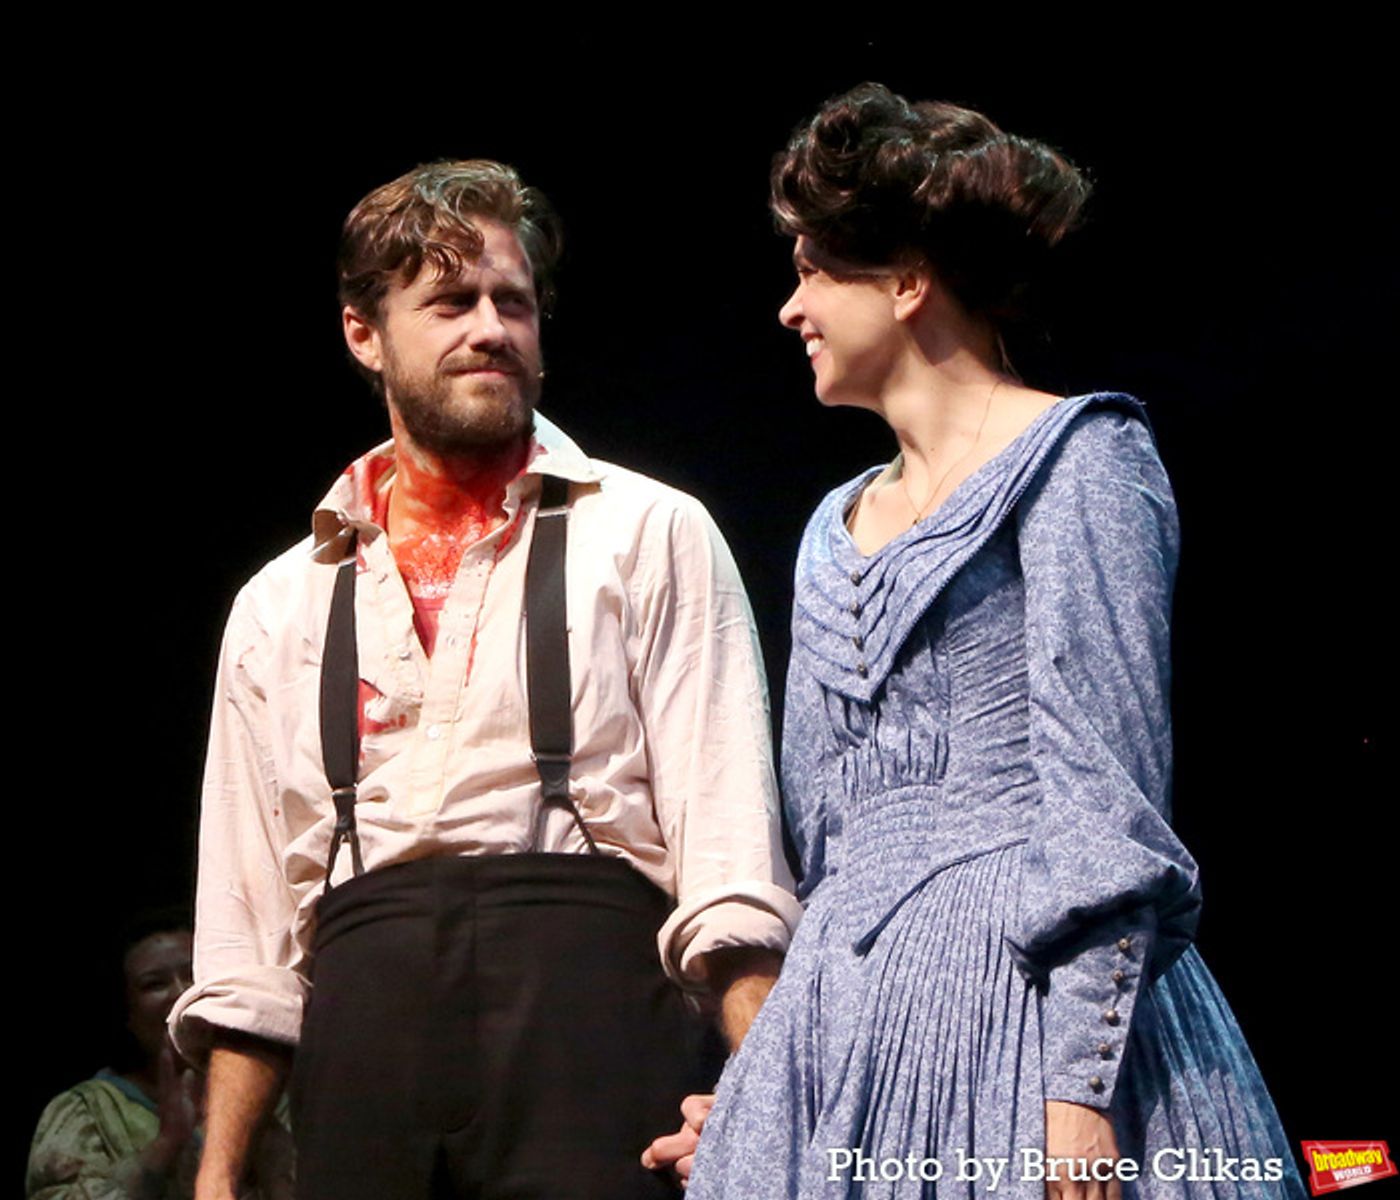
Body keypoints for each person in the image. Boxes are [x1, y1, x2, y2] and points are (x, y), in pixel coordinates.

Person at [669, 84, 1305, 1198]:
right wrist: (773, 1088)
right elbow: (824, 851)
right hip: (849, 1022)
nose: (790, 307)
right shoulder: (831, 527)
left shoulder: (1079, 460)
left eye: (815, 269)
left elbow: (1103, 800)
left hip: (1023, 1007)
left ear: (908, 281)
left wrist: (1075, 1097)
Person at [168, 160, 801, 1200]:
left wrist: (772, 1097)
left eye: (513, 302)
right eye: (450, 302)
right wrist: (220, 1170)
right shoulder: (277, 604)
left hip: (592, 1021)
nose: (490, 328)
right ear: (362, 334)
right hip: (361, 1034)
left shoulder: (646, 532)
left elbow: (730, 854)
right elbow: (246, 926)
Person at [27, 913, 293, 1200]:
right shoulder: (88, 1110)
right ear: (127, 1011)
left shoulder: (275, 1097)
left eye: (194, 975)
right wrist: (165, 1146)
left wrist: (271, 1161)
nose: (181, 993)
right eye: (155, 984)